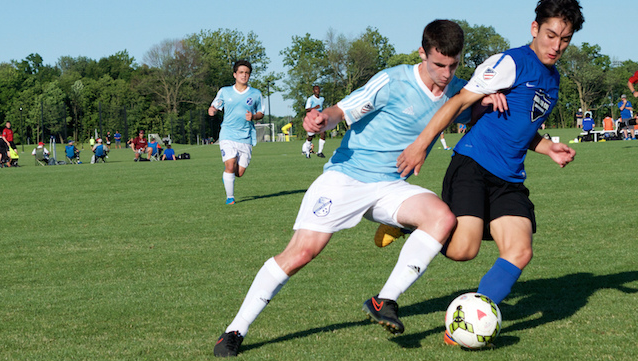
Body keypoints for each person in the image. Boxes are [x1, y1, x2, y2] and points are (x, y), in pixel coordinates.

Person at [212, 20, 507, 358]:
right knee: (302, 252)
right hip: (347, 177)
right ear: (423, 53)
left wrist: (489, 98)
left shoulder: (457, 90)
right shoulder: (393, 81)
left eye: (453, 65)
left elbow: (471, 111)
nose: (445, 73)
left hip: (392, 185)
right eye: (439, 64)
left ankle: (385, 300)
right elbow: (342, 111)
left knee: (442, 218)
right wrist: (322, 119)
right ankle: (234, 331)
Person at [375, 0, 584, 347]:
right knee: (462, 250)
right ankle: (412, 223)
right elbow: (457, 102)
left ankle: (467, 325)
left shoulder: (554, 79)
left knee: (520, 250)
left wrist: (548, 147)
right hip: (473, 164)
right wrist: (421, 145)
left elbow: (520, 126)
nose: (556, 46)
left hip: (509, 178)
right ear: (535, 29)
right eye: (550, 35)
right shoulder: (510, 62)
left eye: (564, 39)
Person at [208, 59, 264, 205]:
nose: (244, 75)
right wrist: (212, 110)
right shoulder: (225, 91)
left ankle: (228, 177)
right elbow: (215, 106)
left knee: (238, 173)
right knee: (230, 165)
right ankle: (230, 198)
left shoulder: (255, 93)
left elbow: (261, 113)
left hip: (246, 136)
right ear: (235, 74)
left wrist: (253, 116)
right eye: (241, 72)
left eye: (247, 73)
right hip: (228, 134)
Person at [302, 85, 326, 158]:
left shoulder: (322, 99)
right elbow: (307, 109)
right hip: (312, 119)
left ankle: (320, 152)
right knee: (311, 136)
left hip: (319, 118)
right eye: (316, 90)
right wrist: (314, 108)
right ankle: (307, 153)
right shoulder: (310, 99)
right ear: (313, 91)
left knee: (323, 134)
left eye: (318, 89)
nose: (317, 91)